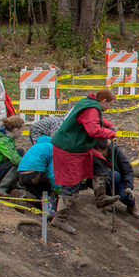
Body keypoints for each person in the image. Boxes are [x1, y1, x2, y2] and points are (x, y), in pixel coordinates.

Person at [51, 89, 121, 228]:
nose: (109, 108)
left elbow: (93, 120)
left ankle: (101, 197)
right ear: (104, 101)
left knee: (99, 161)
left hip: (77, 147)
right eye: (110, 105)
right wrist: (110, 133)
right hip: (68, 149)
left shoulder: (88, 102)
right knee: (71, 182)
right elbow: (93, 130)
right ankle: (60, 219)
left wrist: (108, 125)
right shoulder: (90, 108)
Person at [17, 133, 66, 231]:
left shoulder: (37, 146)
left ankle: (25, 197)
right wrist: (58, 188)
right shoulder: (52, 148)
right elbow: (52, 174)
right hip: (35, 172)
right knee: (48, 189)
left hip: (21, 173)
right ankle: (49, 211)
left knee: (38, 189)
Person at [92, 143, 136, 215]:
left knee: (124, 196)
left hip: (119, 180)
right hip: (103, 180)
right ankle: (106, 199)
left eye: (103, 150)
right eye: (99, 150)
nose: (101, 153)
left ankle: (131, 204)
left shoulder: (116, 152)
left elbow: (128, 170)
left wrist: (129, 186)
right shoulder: (94, 153)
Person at [0, 115, 25, 196]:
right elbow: (16, 160)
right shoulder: (4, 141)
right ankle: (2, 188)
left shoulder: (4, 137)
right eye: (21, 130)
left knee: (20, 151)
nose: (22, 133)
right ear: (15, 130)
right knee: (19, 163)